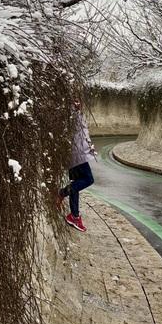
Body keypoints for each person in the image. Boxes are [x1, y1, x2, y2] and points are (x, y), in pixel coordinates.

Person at [58, 99, 96, 232]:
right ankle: (61, 193)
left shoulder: (75, 114)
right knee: (88, 179)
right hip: (77, 155)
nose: (79, 102)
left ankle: (74, 216)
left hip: (76, 154)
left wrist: (89, 146)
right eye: (75, 100)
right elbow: (78, 135)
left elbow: (82, 134)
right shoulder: (71, 114)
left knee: (76, 184)